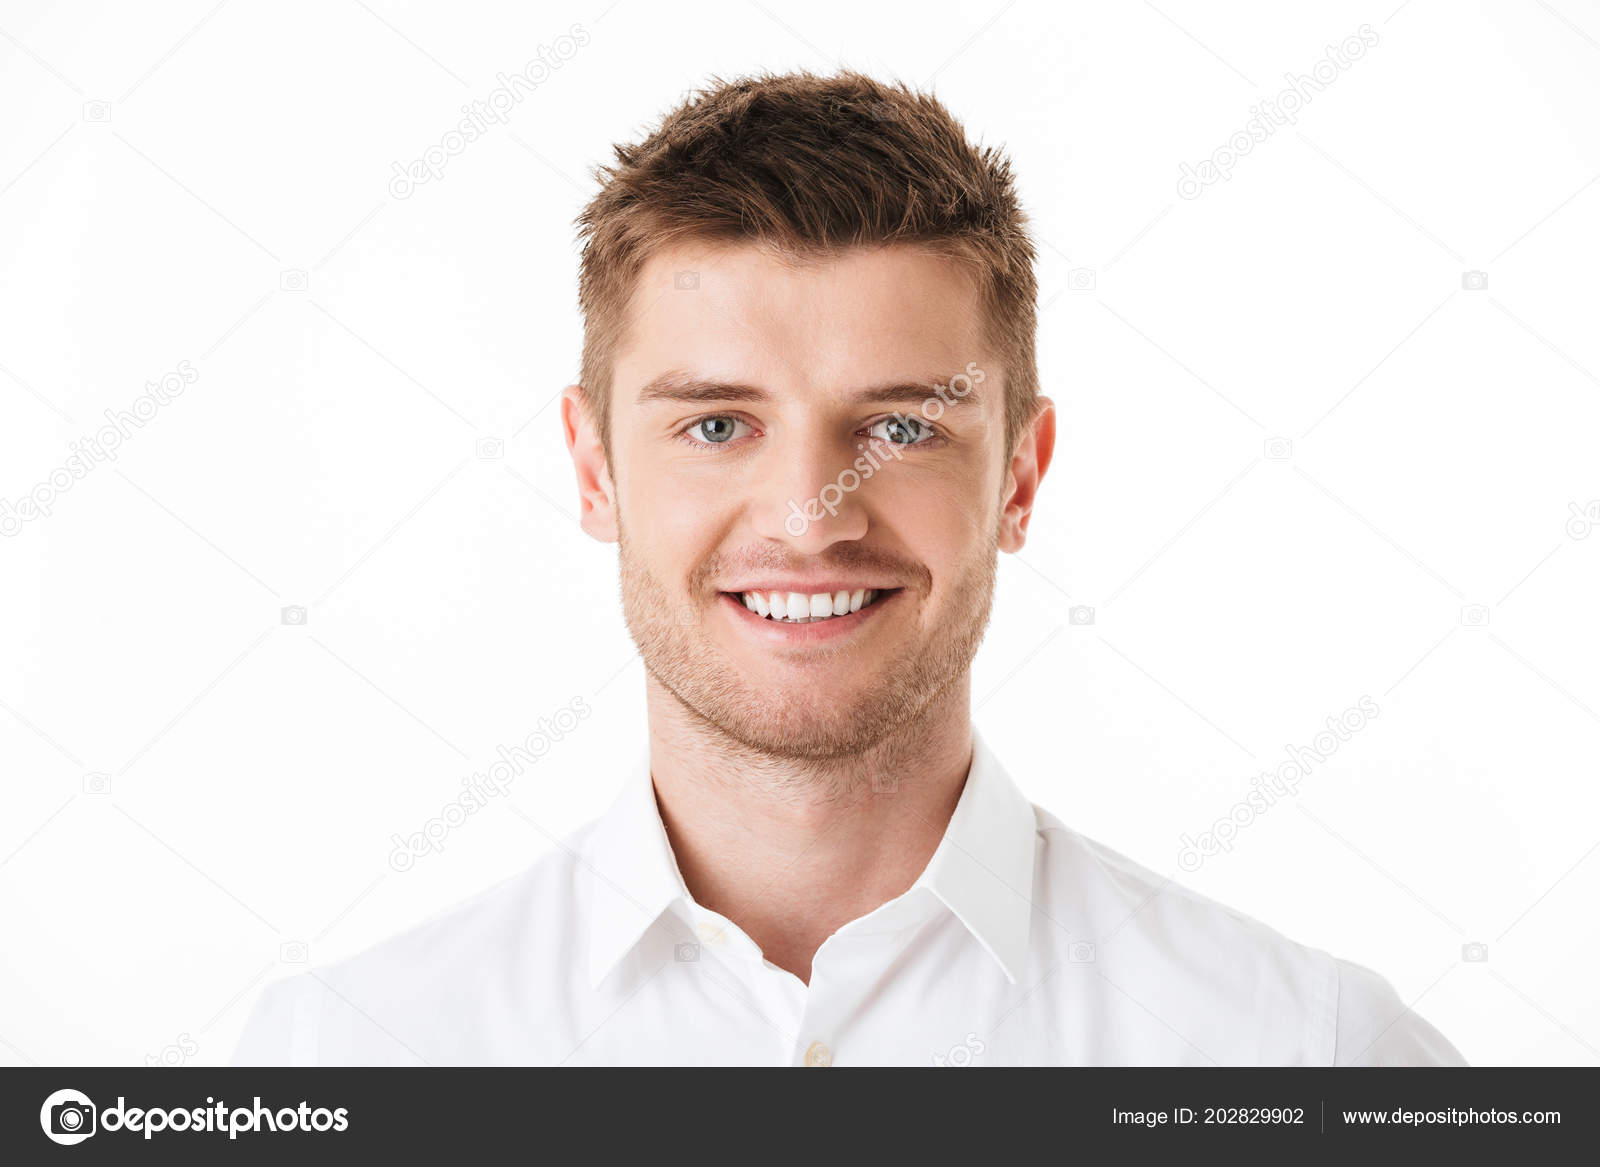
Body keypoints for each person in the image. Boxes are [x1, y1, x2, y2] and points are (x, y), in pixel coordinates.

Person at [233, 69, 1464, 1066]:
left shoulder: (1309, 1063)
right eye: (716, 424)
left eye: (902, 426)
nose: (810, 522)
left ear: (1019, 479)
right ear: (596, 470)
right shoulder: (340, 1063)